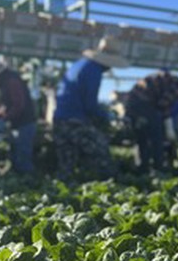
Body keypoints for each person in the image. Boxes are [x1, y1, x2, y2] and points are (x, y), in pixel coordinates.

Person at [51, 36, 129, 180]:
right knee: (101, 152)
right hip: (75, 121)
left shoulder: (79, 65)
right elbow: (90, 105)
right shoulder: (93, 70)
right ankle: (112, 182)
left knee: (67, 162)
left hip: (60, 119)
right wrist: (106, 116)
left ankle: (62, 190)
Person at [123, 69, 178, 173]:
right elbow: (163, 105)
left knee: (143, 136)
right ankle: (158, 167)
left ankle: (142, 167)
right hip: (143, 102)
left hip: (133, 102)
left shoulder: (173, 82)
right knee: (157, 136)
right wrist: (167, 126)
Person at [0, 58, 38, 174]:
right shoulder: (6, 82)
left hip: (25, 123)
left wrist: (5, 118)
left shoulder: (11, 81)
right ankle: (20, 182)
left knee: (22, 156)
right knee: (15, 154)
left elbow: (18, 105)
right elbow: (7, 104)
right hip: (19, 123)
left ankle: (28, 182)